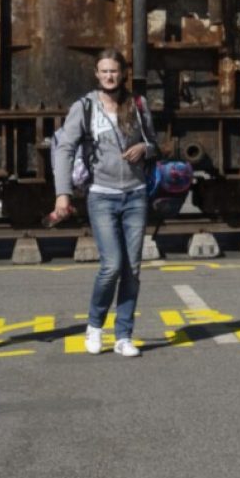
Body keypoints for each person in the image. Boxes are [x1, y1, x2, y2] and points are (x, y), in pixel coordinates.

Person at [50, 49, 157, 358]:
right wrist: (63, 193)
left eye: (115, 71)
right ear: (97, 74)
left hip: (135, 195)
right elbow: (65, 149)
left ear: (123, 73)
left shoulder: (138, 104)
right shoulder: (84, 107)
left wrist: (143, 148)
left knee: (132, 269)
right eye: (104, 71)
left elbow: (155, 142)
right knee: (111, 266)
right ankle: (95, 326)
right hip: (101, 196)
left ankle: (123, 335)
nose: (110, 76)